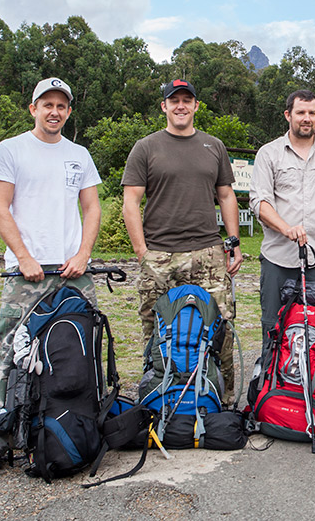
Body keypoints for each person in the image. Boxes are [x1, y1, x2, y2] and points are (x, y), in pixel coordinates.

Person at [0, 77, 102, 473]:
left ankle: (81, 424)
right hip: (24, 271)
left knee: (86, 343)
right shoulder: (11, 150)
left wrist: (83, 253)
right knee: (10, 351)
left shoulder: (79, 154)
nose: (54, 112)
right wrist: (24, 256)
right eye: (46, 104)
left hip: (72, 270)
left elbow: (93, 208)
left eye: (61, 106)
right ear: (33, 108)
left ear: (68, 111)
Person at [121, 79, 243, 405]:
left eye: (187, 100)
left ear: (196, 106)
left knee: (220, 329)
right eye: (174, 100)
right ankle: (156, 397)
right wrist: (142, 252)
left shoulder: (213, 146)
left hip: (208, 252)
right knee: (154, 330)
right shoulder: (145, 148)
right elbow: (130, 202)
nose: (180, 106)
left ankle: (224, 400)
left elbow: (226, 195)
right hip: (159, 254)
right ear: (163, 106)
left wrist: (234, 242)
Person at [249, 89, 315, 347]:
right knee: (274, 330)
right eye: (300, 112)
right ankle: (271, 385)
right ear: (288, 115)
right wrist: (286, 229)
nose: (306, 118)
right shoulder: (268, 153)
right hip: (279, 258)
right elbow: (259, 201)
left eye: (312, 113)